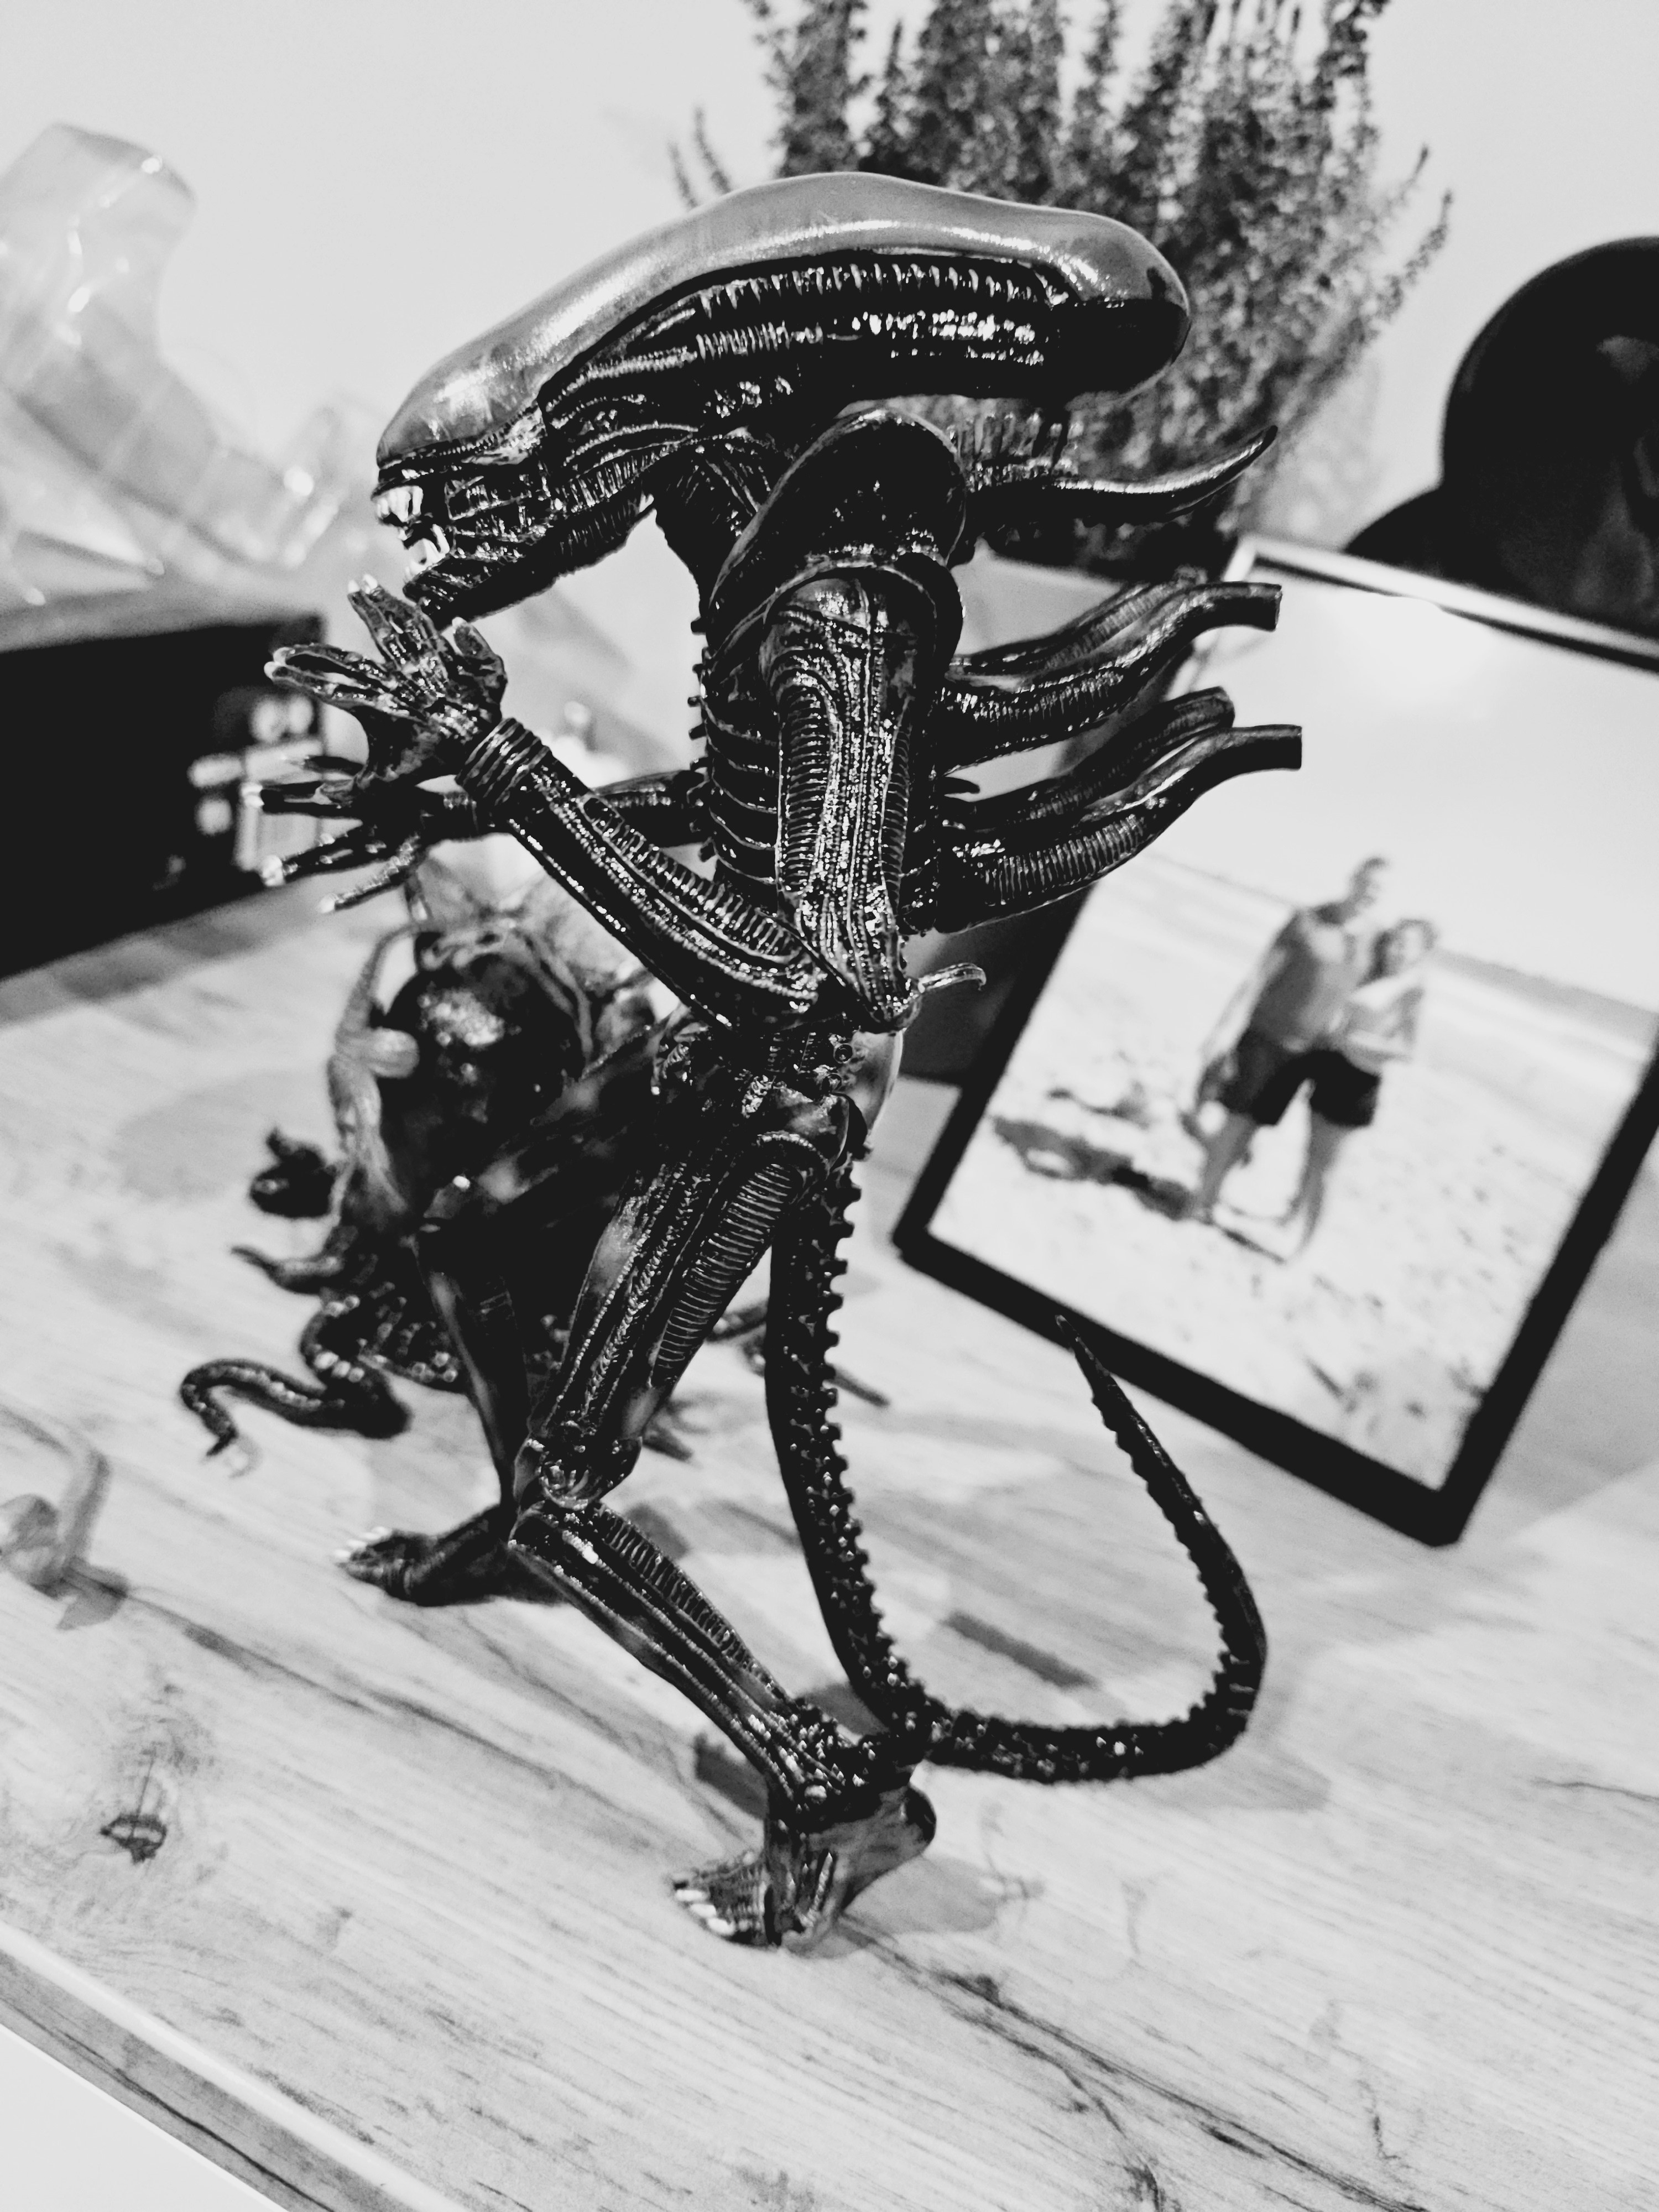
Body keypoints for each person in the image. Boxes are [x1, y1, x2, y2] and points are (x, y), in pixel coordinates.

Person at [1185, 858, 1390, 1223]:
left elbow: (1391, 988)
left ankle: (1211, 1197)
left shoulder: (1375, 941)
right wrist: (1223, 1029)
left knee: (1253, 1130)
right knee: (1236, 1124)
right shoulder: (1309, 920)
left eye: (1378, 888)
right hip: (1266, 1037)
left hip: (1311, 1055)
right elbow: (1260, 975)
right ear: (1353, 878)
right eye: (1366, 882)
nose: (1369, 893)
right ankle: (1196, 1202)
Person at [1280, 917, 1436, 1249]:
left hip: (1358, 1083)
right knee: (1311, 1154)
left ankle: (1306, 1246)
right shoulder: (1376, 975)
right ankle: (1290, 1216)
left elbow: (1407, 1051)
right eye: (1394, 941)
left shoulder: (1413, 991)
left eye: (1405, 945)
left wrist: (1354, 1041)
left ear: (1421, 953)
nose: (1396, 950)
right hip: (1332, 1069)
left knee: (1326, 1172)